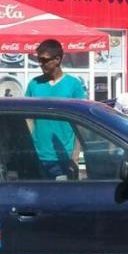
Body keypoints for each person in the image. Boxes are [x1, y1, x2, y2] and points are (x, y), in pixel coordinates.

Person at [24, 39, 88, 179]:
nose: (41, 63)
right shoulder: (34, 84)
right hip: (38, 156)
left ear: (57, 59)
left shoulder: (74, 85)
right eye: (39, 60)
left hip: (64, 157)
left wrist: (75, 157)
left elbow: (80, 124)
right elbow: (28, 118)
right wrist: (30, 145)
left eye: (44, 60)